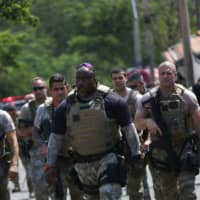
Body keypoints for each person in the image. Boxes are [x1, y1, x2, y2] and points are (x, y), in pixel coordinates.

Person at [45, 65, 142, 200]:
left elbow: (129, 129)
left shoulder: (112, 101)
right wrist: (50, 165)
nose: (81, 83)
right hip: (83, 164)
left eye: (85, 79)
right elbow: (55, 138)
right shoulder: (65, 107)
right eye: (78, 79)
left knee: (108, 193)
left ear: (94, 79)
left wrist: (136, 156)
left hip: (108, 159)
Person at [135, 61, 200, 200]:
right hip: (161, 153)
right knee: (167, 195)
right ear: (158, 75)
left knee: (187, 191)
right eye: (162, 73)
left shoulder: (188, 97)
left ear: (175, 75)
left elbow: (198, 124)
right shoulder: (148, 99)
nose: (165, 76)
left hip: (185, 148)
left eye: (169, 73)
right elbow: (137, 123)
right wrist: (147, 121)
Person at [32, 73, 79, 200]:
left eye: (62, 88)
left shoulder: (76, 105)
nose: (59, 92)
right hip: (54, 156)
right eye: (56, 89)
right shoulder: (44, 109)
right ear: (50, 91)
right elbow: (36, 131)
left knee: (77, 192)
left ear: (67, 88)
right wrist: (43, 145)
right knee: (57, 193)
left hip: (74, 154)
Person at [111, 68, 151, 200]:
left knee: (140, 182)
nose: (117, 81)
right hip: (116, 146)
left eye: (120, 78)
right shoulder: (109, 99)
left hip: (137, 144)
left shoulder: (137, 98)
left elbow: (148, 121)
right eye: (115, 78)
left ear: (126, 78)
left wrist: (147, 140)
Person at [18, 76, 48, 199]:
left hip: (57, 150)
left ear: (45, 88)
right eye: (35, 89)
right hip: (37, 151)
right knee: (40, 187)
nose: (38, 91)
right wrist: (39, 127)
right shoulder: (27, 108)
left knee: (59, 187)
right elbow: (22, 131)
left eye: (40, 88)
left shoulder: (54, 103)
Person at [0, 108, 19, 200]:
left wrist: (14, 164)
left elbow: (13, 142)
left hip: (0, 163)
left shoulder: (2, 116)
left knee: (2, 193)